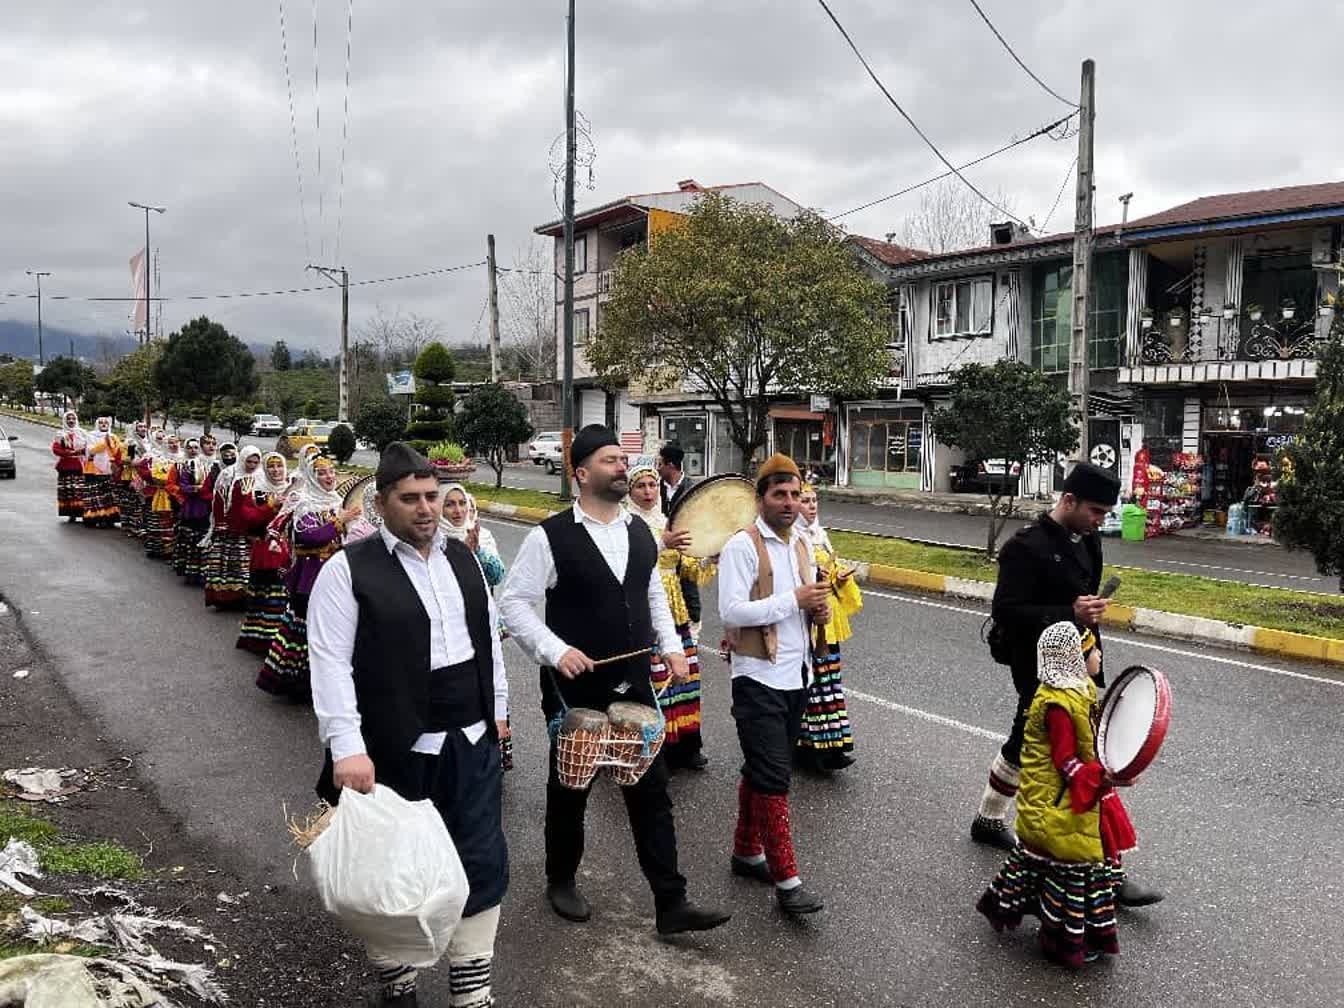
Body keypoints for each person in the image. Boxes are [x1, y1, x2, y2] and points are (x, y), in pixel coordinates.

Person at [498, 424, 730, 936]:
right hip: (572, 684)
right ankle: (561, 880)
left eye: (622, 461)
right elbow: (512, 603)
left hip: (633, 677)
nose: (622, 467)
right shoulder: (550, 535)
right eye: (609, 460)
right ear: (580, 473)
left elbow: (651, 597)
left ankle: (672, 902)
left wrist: (671, 649)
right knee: (571, 788)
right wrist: (556, 650)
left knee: (652, 790)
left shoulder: (638, 532)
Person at [309, 442, 509, 1008]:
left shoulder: (464, 559)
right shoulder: (347, 570)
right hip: (391, 745)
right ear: (381, 503)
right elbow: (329, 664)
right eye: (410, 498)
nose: (425, 508)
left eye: (432, 496)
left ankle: (472, 994)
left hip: (470, 739)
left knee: (481, 860)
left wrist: (499, 714)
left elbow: (486, 641)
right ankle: (397, 984)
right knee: (391, 867)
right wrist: (347, 747)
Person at [970, 461, 1162, 909]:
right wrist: (1068, 613)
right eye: (1095, 510)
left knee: (1027, 740)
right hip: (1036, 662)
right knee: (1077, 759)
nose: (1101, 521)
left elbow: (1084, 600)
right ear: (1068, 500)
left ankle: (989, 817)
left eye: (1105, 512)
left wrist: (1092, 646)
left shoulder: (1089, 540)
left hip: (1082, 655)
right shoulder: (1024, 548)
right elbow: (1007, 611)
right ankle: (1101, 867)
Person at [976, 622, 1135, 969]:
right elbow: (1065, 762)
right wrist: (1103, 777)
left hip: (1067, 798)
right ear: (1076, 658)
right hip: (1058, 802)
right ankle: (1063, 943)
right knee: (1073, 872)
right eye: (1094, 651)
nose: (1099, 656)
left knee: (1055, 867)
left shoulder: (1078, 691)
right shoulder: (1058, 705)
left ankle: (1057, 926)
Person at [718, 453, 830, 916]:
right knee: (773, 776)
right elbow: (731, 613)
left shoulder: (802, 543)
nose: (789, 503)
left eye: (795, 494)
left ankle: (747, 852)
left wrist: (817, 609)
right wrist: (793, 600)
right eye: (779, 494)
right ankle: (787, 881)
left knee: (759, 770)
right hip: (757, 676)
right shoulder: (741, 547)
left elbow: (803, 606)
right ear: (760, 499)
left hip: (795, 675)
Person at [625, 459, 713, 771]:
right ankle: (656, 747)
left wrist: (709, 556)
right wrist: (662, 544)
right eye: (640, 485)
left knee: (685, 680)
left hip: (675, 614)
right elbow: (630, 562)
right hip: (646, 615)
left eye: (652, 484)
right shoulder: (625, 525)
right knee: (656, 681)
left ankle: (687, 746)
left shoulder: (666, 521)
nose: (648, 491)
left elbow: (686, 565)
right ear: (629, 491)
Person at [258, 447, 359, 702]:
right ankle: (299, 684)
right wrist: (339, 521)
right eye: (322, 473)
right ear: (313, 477)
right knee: (306, 629)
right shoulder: (305, 503)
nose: (329, 477)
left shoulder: (338, 501)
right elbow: (308, 536)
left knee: (335, 629)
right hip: (310, 575)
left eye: (331, 472)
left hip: (337, 574)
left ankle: (331, 684)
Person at [440, 483, 512, 771]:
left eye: (462, 504)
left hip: (481, 623)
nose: (458, 511)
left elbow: (496, 575)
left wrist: (476, 550)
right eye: (450, 504)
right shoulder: (432, 539)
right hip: (449, 628)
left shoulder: (483, 535)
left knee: (490, 679)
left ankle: (490, 751)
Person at [793, 483, 859, 772]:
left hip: (827, 620)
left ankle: (834, 747)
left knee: (830, 685)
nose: (811, 506)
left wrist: (839, 578)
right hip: (806, 621)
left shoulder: (821, 536)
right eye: (805, 500)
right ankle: (808, 750)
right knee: (813, 687)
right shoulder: (792, 539)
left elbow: (829, 573)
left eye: (814, 500)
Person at [236, 452, 294, 653]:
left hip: (291, 552)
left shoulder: (294, 490)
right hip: (266, 551)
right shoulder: (256, 491)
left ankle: (281, 640)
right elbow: (249, 519)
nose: (276, 470)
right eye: (271, 466)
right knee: (267, 595)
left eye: (280, 466)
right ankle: (261, 639)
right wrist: (271, 506)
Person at [657, 443, 701, 637]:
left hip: (686, 545)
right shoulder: (654, 486)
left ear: (671, 465)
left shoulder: (693, 488)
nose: (658, 468)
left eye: (661, 464)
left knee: (688, 585)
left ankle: (693, 626)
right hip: (662, 549)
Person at [169, 439, 214, 584]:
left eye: (196, 447)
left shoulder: (211, 465)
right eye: (190, 447)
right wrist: (194, 489)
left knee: (203, 538)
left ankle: (202, 572)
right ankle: (190, 571)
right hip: (191, 507)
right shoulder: (188, 466)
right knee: (190, 539)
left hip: (205, 507)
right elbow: (182, 485)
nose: (193, 450)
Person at [138, 430, 179, 560]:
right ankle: (155, 548)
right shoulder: (157, 458)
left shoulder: (183, 459)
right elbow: (143, 471)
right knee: (155, 522)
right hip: (156, 495)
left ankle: (169, 551)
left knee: (171, 523)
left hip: (174, 496)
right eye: (170, 443)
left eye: (176, 442)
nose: (174, 445)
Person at [81, 416, 124, 528]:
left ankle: (108, 519)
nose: (104, 424)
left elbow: (117, 451)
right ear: (97, 424)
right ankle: (95, 518)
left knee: (108, 495)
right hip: (93, 468)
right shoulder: (91, 435)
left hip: (109, 468)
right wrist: (105, 443)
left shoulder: (113, 436)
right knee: (96, 495)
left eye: (106, 423)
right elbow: (91, 450)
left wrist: (111, 443)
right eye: (101, 423)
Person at [51, 410, 88, 522]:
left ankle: (83, 512)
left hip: (80, 465)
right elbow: (56, 449)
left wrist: (81, 451)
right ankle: (71, 513)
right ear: (65, 421)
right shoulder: (60, 434)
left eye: (73, 419)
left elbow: (89, 447)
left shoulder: (83, 434)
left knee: (80, 490)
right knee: (68, 490)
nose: (71, 421)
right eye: (68, 419)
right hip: (66, 466)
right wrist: (70, 453)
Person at [119, 422, 151, 538]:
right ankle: (131, 527)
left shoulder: (148, 441)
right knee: (133, 503)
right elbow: (129, 460)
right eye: (140, 427)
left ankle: (141, 526)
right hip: (131, 475)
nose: (143, 429)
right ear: (135, 429)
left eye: (144, 426)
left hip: (145, 476)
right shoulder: (132, 442)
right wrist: (143, 461)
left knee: (142, 503)